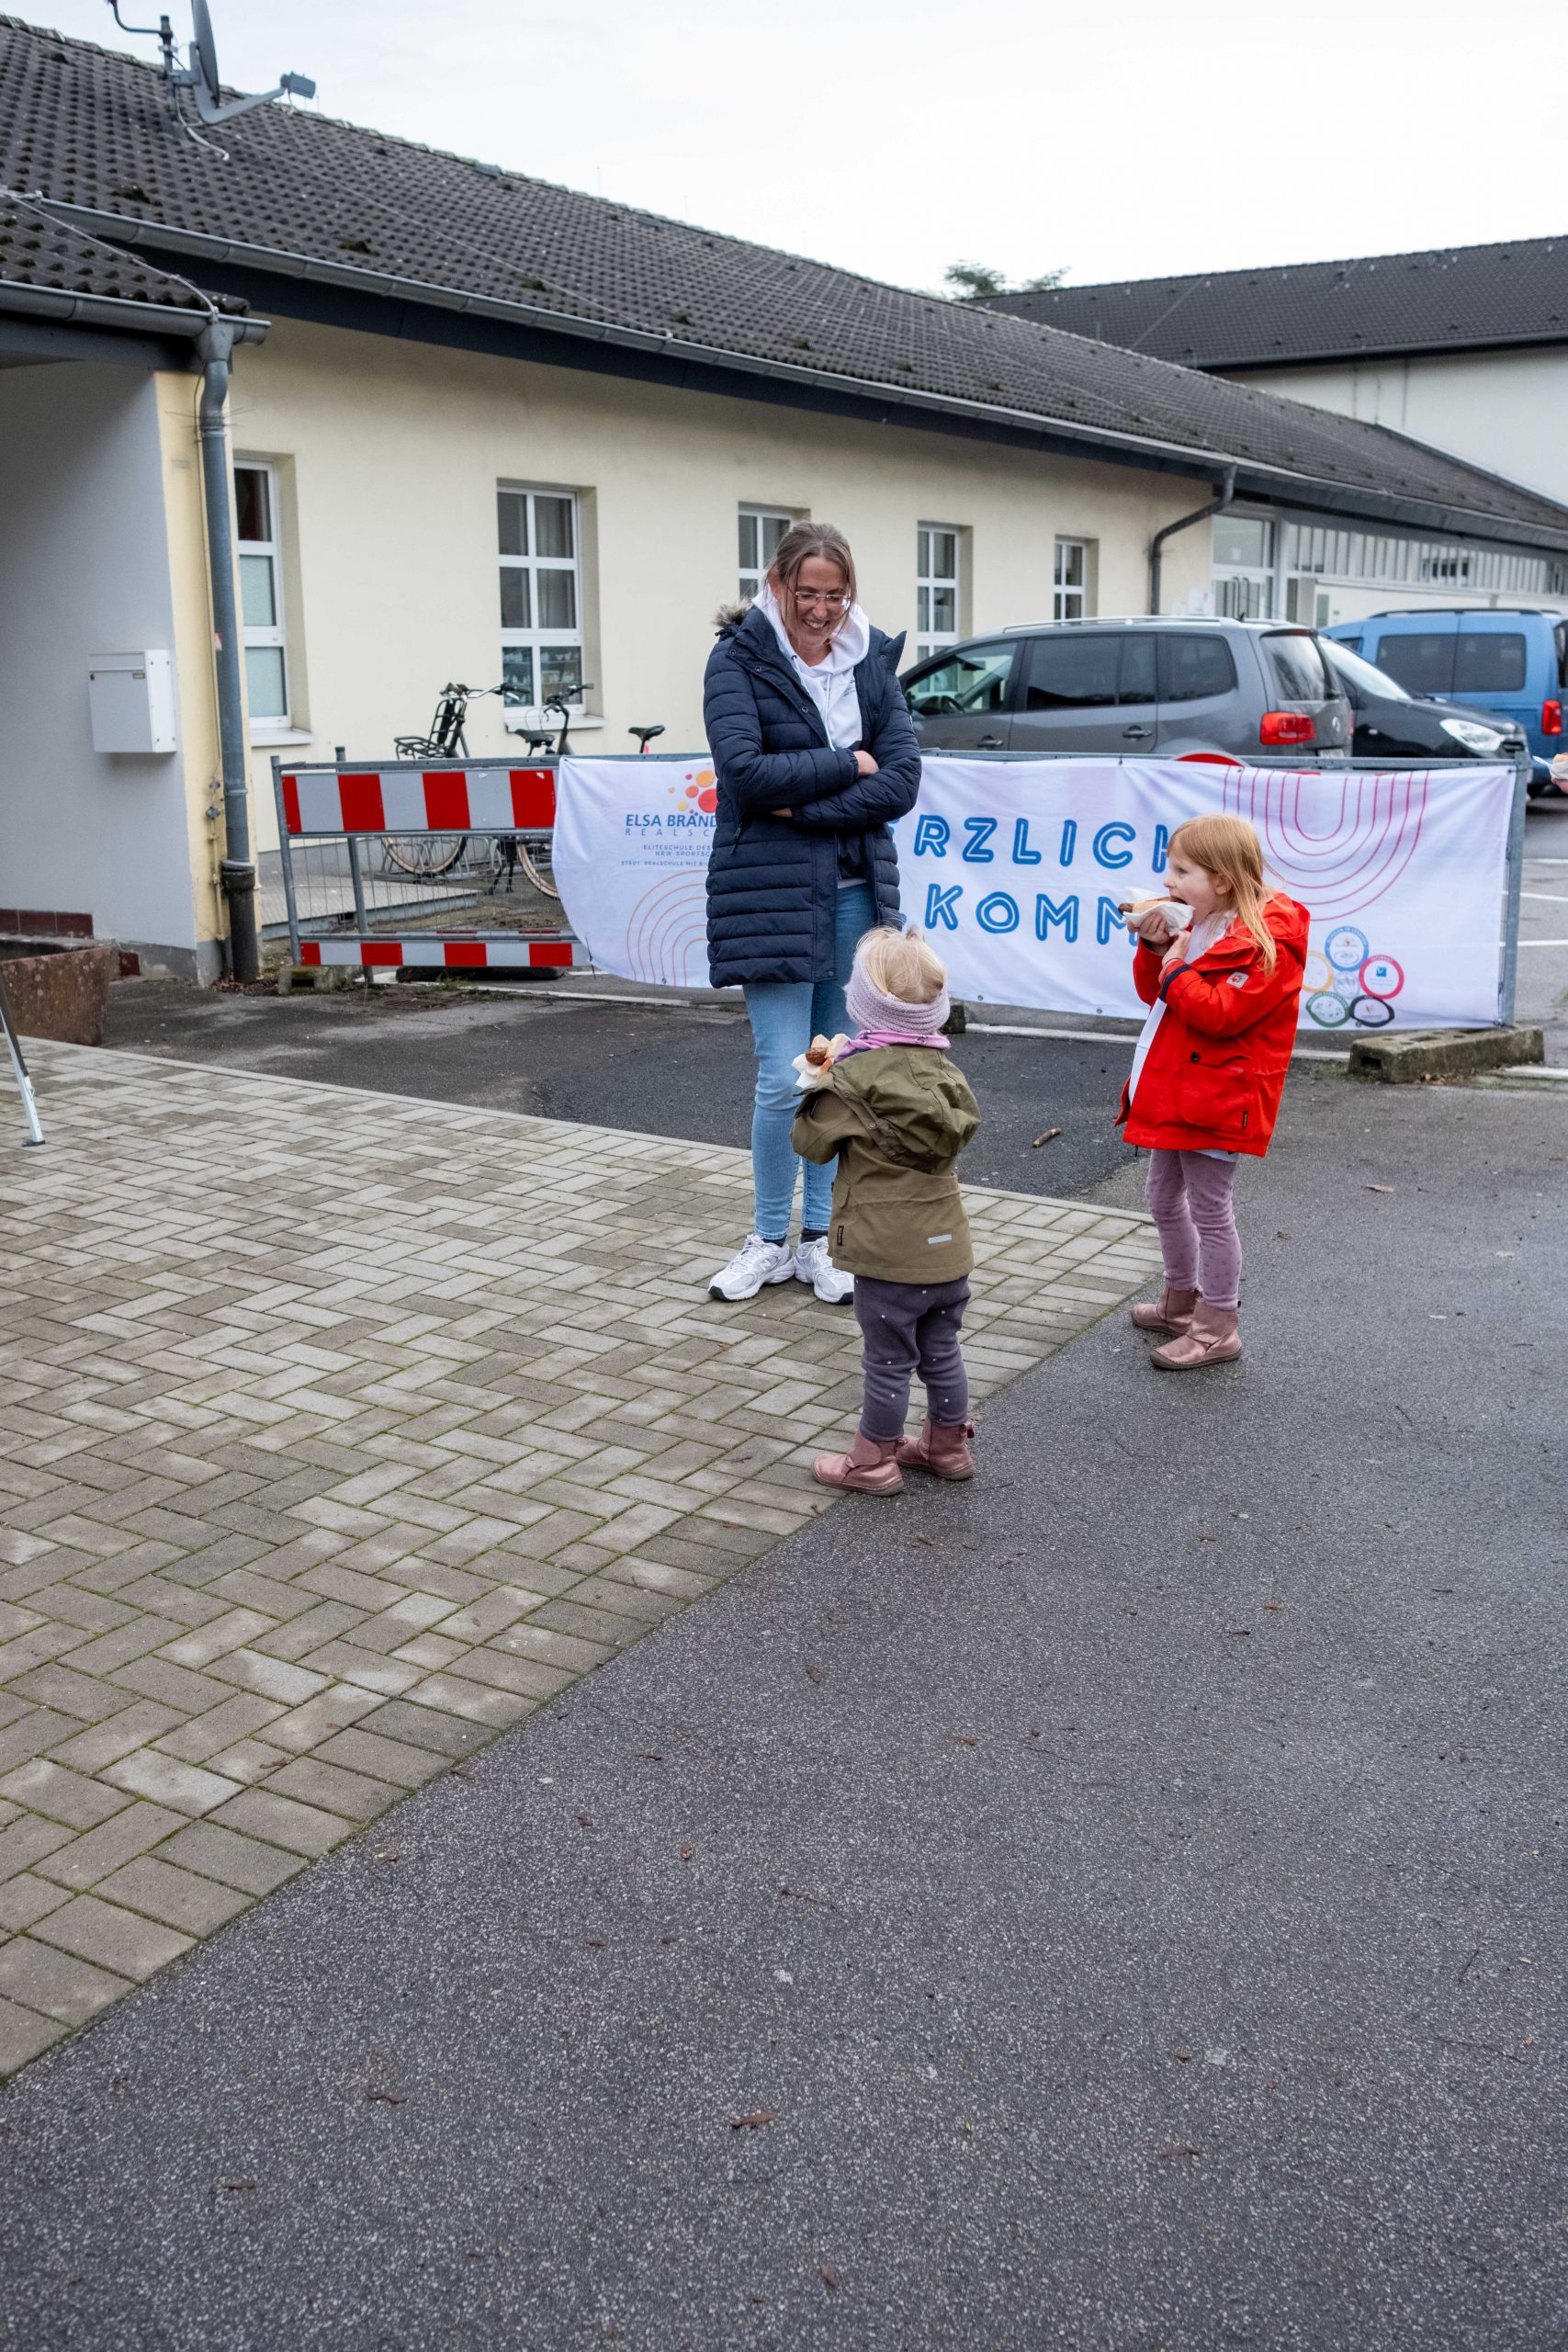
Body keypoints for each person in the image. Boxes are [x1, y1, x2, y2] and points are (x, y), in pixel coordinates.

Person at [703, 523, 922, 1304]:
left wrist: (806, 809)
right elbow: (745, 773)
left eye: (835, 594)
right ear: (777, 585)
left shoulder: (872, 664)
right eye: (807, 593)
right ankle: (768, 1239)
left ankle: (820, 1242)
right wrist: (846, 763)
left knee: (838, 1076)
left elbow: (901, 780)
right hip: (768, 894)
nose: (822, 610)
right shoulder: (738, 659)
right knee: (781, 1077)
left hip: (855, 892)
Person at [791, 927, 979, 1495]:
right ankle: (947, 1447)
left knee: (888, 1360)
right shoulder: (946, 1074)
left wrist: (817, 1083)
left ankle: (872, 1459)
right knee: (941, 1349)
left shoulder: (851, 1077)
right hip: (948, 1248)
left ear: (861, 1004)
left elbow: (810, 1145)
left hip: (887, 1249)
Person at [1119, 813, 1308, 1370]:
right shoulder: (1198, 921)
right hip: (1179, 1088)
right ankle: (1181, 1302)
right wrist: (1154, 948)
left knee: (1210, 1208)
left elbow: (1220, 1014)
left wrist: (1175, 967)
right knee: (1161, 1196)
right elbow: (1154, 996)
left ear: (1222, 879)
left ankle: (1218, 1325)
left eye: (1182, 871)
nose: (1168, 880)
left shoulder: (1267, 942)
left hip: (1220, 1098)